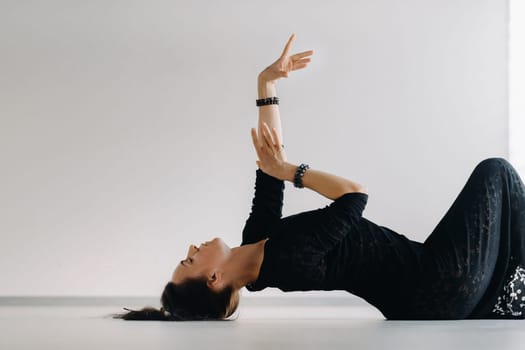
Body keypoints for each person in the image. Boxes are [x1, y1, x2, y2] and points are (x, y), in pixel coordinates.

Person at [114, 34, 525, 321]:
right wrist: (293, 172)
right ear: (214, 277)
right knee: (496, 172)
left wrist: (266, 84)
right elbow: (354, 196)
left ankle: (508, 296)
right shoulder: (290, 262)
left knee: (498, 189)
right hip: (437, 286)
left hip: (428, 291)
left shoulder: (259, 239)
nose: (192, 247)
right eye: (190, 259)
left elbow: (269, 161)